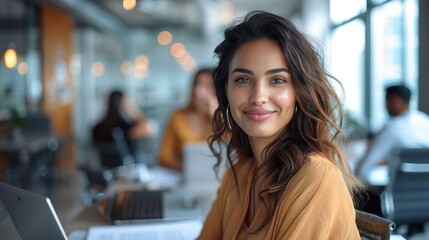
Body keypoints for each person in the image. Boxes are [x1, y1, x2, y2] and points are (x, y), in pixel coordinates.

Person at [197, 11, 362, 239]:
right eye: (243, 80)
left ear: (299, 92)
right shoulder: (242, 172)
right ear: (226, 90)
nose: (258, 96)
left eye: (277, 80)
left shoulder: (316, 177)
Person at [355, 84, 429, 182]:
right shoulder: (424, 121)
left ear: (396, 100)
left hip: (399, 193)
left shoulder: (393, 127)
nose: (385, 105)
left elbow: (363, 168)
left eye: (387, 100)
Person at [158, 68, 217, 171]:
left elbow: (233, 152)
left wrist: (217, 118)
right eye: (197, 85)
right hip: (184, 176)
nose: (198, 92)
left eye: (207, 86)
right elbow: (164, 157)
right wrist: (190, 171)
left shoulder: (224, 118)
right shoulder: (177, 116)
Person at [92, 90, 155, 168]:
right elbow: (150, 130)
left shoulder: (97, 128)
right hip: (127, 170)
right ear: (122, 103)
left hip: (105, 169)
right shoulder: (124, 127)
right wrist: (132, 108)